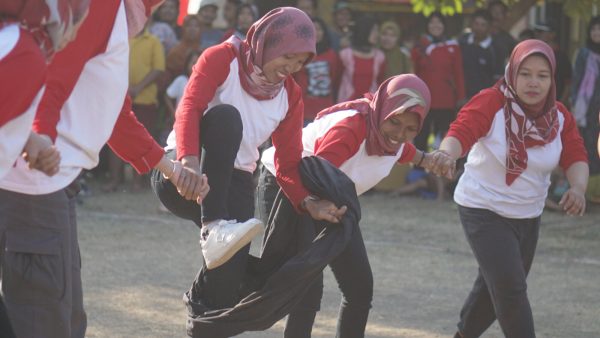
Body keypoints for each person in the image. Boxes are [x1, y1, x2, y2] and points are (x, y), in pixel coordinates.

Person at [0, 2, 209, 337]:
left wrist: (171, 169)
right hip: (35, 182)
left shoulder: (116, 15)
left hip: (53, 180)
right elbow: (53, 81)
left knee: (65, 317)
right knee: (43, 318)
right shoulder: (101, 6)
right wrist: (40, 140)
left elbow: (115, 114)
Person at [151, 7, 345, 331]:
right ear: (269, 42)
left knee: (227, 277)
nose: (291, 69)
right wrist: (188, 161)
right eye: (288, 57)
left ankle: (202, 326)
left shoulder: (290, 95)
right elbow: (189, 106)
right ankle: (212, 226)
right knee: (227, 117)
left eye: (300, 63)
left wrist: (309, 202)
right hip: (183, 171)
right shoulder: (221, 57)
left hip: (235, 183)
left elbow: (288, 163)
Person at [427, 39, 588, 338]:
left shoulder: (560, 116)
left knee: (495, 288)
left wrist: (578, 188)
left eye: (542, 75)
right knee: (511, 288)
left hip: (528, 213)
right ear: (511, 72)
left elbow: (575, 154)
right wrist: (447, 154)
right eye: (525, 73)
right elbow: (461, 131)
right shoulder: (492, 102)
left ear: (553, 79)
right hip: (483, 208)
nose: (533, 82)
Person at [258, 74, 432, 338]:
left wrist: (426, 159)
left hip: (333, 196)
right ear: (383, 109)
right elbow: (313, 172)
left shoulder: (391, 139)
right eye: (394, 122)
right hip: (290, 185)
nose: (399, 134)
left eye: (411, 129)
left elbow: (402, 149)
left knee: (360, 286)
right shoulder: (352, 128)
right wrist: (314, 204)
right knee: (307, 283)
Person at [105, 21, 166, 192]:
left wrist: (138, 88)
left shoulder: (154, 41)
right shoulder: (120, 38)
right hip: (117, 96)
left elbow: (158, 69)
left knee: (142, 139)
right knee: (115, 139)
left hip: (146, 99)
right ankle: (115, 179)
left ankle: (137, 183)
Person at [411, 11, 464, 200]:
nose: (435, 26)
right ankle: (418, 177)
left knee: (445, 139)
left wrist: (461, 97)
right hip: (425, 101)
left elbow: (458, 72)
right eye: (432, 23)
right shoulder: (420, 47)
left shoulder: (452, 46)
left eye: (439, 23)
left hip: (447, 100)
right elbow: (415, 72)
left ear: (444, 26)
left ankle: (447, 178)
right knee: (421, 138)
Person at [571, 16, 600, 202]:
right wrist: (575, 105)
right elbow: (577, 81)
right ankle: (590, 191)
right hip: (588, 111)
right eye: (593, 30)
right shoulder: (583, 54)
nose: (596, 33)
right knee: (589, 147)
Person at [293, 16, 341, 123]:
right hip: (303, 110)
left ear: (324, 32)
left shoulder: (332, 55)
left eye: (319, 29)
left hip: (326, 111)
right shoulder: (299, 54)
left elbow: (335, 78)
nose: (316, 32)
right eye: (312, 29)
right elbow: (293, 79)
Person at [337, 15, 386, 103]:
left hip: (370, 106)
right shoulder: (345, 55)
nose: (377, 34)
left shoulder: (380, 57)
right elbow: (336, 80)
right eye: (374, 30)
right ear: (364, 30)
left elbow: (380, 83)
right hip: (347, 106)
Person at [458, 9, 497, 99]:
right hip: (462, 98)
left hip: (484, 98)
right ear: (471, 24)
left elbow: (496, 78)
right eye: (476, 24)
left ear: (489, 27)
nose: (478, 28)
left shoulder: (495, 49)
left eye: (483, 25)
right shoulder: (461, 43)